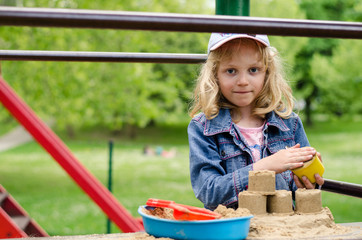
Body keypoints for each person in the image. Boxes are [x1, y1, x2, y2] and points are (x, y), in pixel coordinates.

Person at [187, 33, 324, 210]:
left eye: (253, 70)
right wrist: (264, 167)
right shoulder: (203, 127)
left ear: (266, 72)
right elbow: (209, 192)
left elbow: (300, 192)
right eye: (231, 71)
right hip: (232, 230)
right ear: (215, 75)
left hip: (281, 229)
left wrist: (308, 180)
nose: (243, 81)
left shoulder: (290, 124)